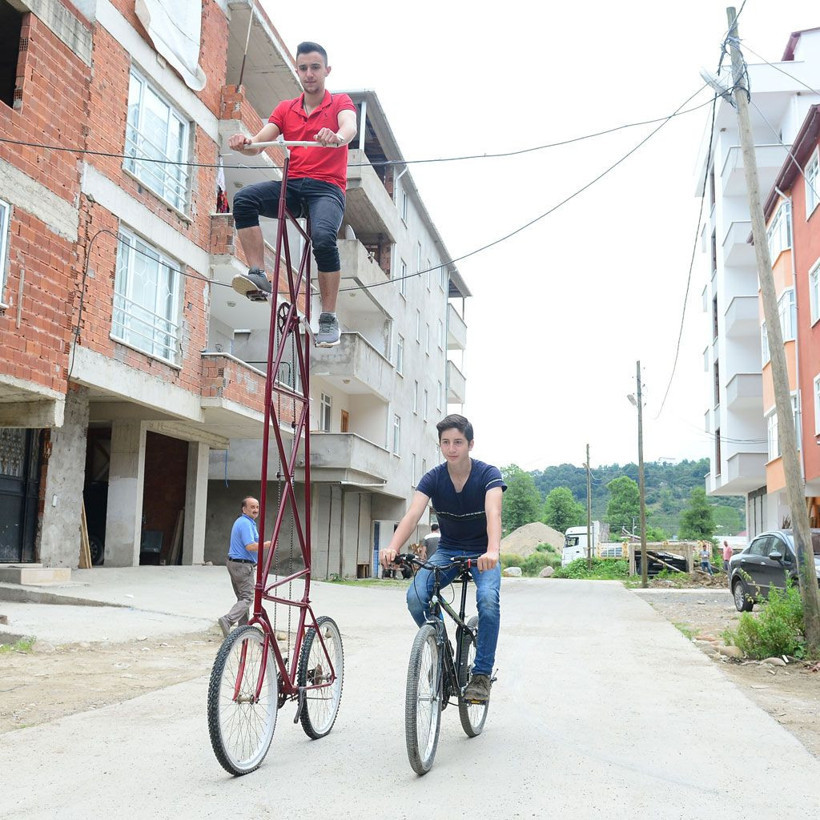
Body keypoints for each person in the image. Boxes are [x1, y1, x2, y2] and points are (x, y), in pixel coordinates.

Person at [228, 42, 358, 347]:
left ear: (327, 70)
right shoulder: (286, 108)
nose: (309, 74)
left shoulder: (339, 102)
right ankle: (258, 273)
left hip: (327, 189)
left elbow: (349, 127)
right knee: (245, 199)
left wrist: (336, 138)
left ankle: (328, 317)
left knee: (324, 238)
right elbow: (258, 143)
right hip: (295, 185)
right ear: (297, 71)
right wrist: (244, 141)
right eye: (303, 68)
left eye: (315, 67)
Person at [380, 415, 506, 703]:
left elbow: (493, 513)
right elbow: (413, 515)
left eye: (458, 442)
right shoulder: (434, 478)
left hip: (482, 552)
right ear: (440, 446)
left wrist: (493, 550)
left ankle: (481, 675)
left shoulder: (488, 474)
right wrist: (392, 546)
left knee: (488, 600)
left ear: (470, 444)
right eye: (446, 443)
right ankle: (440, 649)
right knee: (415, 597)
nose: (452, 448)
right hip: (448, 549)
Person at [218, 496, 270, 637]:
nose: (255, 510)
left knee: (242, 599)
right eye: (252, 507)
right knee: (247, 598)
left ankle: (242, 630)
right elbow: (250, 546)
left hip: (235, 563)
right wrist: (267, 545)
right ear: (244, 509)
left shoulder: (247, 522)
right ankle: (228, 620)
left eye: (257, 507)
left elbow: (255, 541)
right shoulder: (245, 523)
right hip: (242, 565)